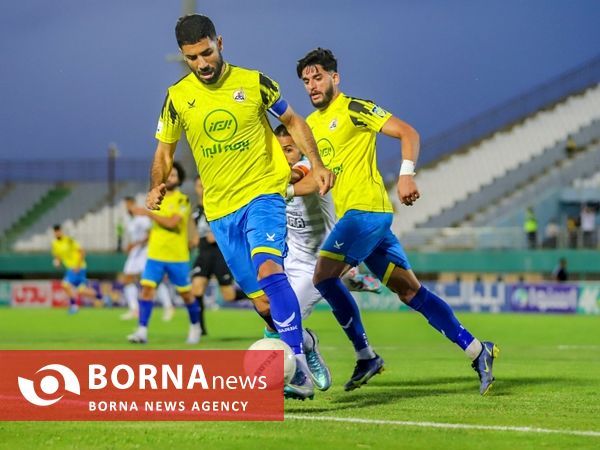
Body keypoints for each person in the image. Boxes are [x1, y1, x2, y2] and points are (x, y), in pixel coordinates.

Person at [145, 14, 334, 400]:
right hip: (220, 211)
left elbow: (293, 121)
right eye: (192, 58)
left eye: (207, 53)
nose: (202, 63)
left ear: (220, 43)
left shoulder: (254, 82)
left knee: (269, 268)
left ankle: (297, 367)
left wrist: (315, 163)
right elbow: (164, 151)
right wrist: (156, 184)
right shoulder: (177, 97)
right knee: (262, 303)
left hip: (263, 194)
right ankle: (306, 342)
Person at [296, 47, 498, 395]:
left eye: (318, 77)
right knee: (410, 292)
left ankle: (365, 355)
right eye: (306, 81)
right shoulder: (310, 126)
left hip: (367, 212)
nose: (312, 85)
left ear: (335, 77)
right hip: (362, 222)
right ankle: (478, 351)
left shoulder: (355, 108)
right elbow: (316, 178)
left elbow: (408, 133)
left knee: (323, 277)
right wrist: (283, 189)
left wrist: (406, 175)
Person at [127, 162, 200, 344]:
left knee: (186, 295)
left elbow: (172, 223)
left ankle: (195, 326)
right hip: (155, 254)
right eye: (168, 175)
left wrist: (148, 214)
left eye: (174, 175)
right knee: (146, 291)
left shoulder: (182, 200)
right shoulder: (156, 198)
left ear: (179, 179)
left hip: (177, 256)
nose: (170, 178)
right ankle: (142, 331)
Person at [190, 175, 247, 335]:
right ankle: (199, 329)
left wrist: (217, 235)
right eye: (199, 186)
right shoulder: (196, 210)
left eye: (204, 186)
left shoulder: (217, 206)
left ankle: (259, 294)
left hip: (219, 254)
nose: (201, 189)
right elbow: (197, 232)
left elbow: (232, 227)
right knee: (196, 288)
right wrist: (194, 240)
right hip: (203, 254)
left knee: (228, 295)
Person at [51, 224, 102, 314]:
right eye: (55, 231)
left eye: (58, 231)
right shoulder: (54, 244)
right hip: (70, 268)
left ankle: (74, 306)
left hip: (77, 267)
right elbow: (58, 256)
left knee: (65, 285)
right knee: (81, 291)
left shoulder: (69, 240)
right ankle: (100, 296)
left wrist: (78, 266)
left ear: (61, 231)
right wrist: (57, 262)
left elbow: (82, 251)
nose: (57, 233)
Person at [119, 197, 152, 320]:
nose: (127, 207)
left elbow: (150, 234)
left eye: (128, 205)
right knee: (127, 279)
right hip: (135, 252)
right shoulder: (129, 219)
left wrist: (135, 244)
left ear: (133, 204)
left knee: (148, 280)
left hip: (144, 251)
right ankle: (134, 309)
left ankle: (168, 305)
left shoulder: (142, 218)